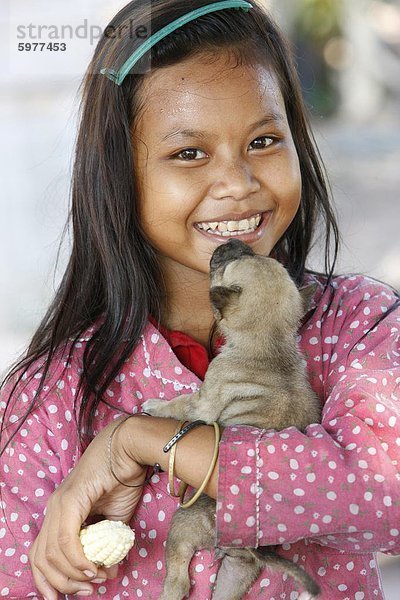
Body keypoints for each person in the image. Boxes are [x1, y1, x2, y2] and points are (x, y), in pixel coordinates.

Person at [1, 0, 399, 598]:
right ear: (118, 175)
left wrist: (139, 440)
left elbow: (382, 493)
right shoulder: (50, 397)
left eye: (264, 139)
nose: (239, 184)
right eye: (189, 153)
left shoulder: (359, 328)